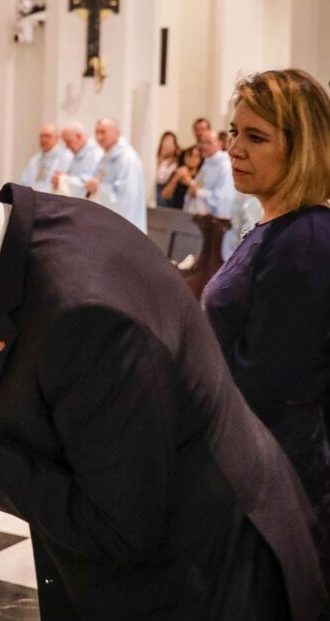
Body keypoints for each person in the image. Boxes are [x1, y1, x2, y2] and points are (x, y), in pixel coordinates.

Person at [0, 159, 328, 621]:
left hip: (209, 579)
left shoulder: (84, 313)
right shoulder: (37, 231)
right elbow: (83, 394)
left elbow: (117, 527)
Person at [202, 68, 330, 582]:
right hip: (253, 459)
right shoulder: (279, 225)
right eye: (234, 132)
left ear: (302, 148)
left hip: (276, 472)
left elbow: (269, 378)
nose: (234, 148)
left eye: (256, 137)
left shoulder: (305, 238)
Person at [85, 118, 147, 232]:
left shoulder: (127, 158)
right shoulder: (105, 158)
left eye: (103, 132)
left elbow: (125, 198)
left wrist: (98, 188)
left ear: (116, 132)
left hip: (126, 226)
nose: (99, 137)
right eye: (97, 133)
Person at [184, 129, 236, 218]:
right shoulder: (207, 163)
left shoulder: (225, 166)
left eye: (209, 142)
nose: (204, 146)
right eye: (202, 143)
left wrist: (198, 192)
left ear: (219, 143)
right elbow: (196, 188)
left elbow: (224, 197)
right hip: (197, 216)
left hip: (212, 219)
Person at [51, 122, 102, 198]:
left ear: (79, 136)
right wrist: (61, 177)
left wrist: (62, 180)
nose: (66, 146)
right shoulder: (75, 154)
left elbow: (87, 186)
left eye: (68, 142)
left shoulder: (95, 154)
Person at [18, 123, 72, 193]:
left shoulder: (67, 157)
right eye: (41, 136)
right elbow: (23, 183)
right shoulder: (34, 160)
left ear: (57, 138)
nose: (43, 139)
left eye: (48, 136)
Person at [160, 143, 203, 209]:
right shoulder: (177, 172)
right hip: (174, 210)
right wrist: (176, 178)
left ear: (200, 159)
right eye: (190, 155)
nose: (192, 158)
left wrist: (187, 178)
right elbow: (165, 196)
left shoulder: (201, 176)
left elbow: (198, 195)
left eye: (196, 156)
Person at [155, 131, 180, 207]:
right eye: (166, 142)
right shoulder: (155, 160)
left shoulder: (176, 163)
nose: (168, 145)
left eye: (171, 143)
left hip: (167, 197)